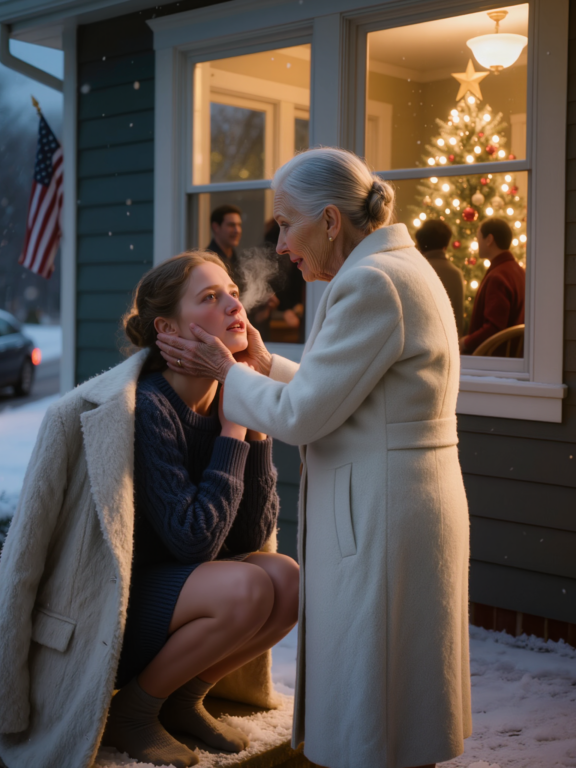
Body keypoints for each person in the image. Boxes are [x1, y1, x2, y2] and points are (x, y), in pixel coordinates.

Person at [157, 147, 472, 768]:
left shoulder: (372, 282)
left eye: (285, 224)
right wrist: (262, 363)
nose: (279, 246)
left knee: (378, 703)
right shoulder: (394, 268)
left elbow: (304, 415)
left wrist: (226, 370)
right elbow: (350, 391)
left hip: (383, 508)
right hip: (402, 497)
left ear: (330, 220)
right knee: (399, 698)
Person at [0, 251, 298, 768]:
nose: (234, 306)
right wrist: (234, 428)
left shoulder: (223, 399)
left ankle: (182, 699)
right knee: (250, 587)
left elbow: (247, 538)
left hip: (183, 603)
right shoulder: (148, 408)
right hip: (116, 616)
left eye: (234, 293)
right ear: (167, 328)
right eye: (210, 297)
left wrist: (252, 423)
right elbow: (194, 540)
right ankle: (135, 711)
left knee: (287, 580)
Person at [460, 217, 525, 355]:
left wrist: (466, 343)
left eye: (479, 238)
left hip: (496, 359)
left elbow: (494, 328)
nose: (477, 243)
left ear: (489, 239)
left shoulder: (498, 276)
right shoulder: (519, 271)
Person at [414, 219, 464, 337]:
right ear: (446, 244)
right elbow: (458, 322)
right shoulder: (456, 274)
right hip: (448, 342)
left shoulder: (415, 269)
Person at [207, 204, 245, 288]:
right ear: (216, 227)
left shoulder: (235, 259)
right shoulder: (208, 261)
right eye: (231, 225)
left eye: (239, 225)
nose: (237, 230)